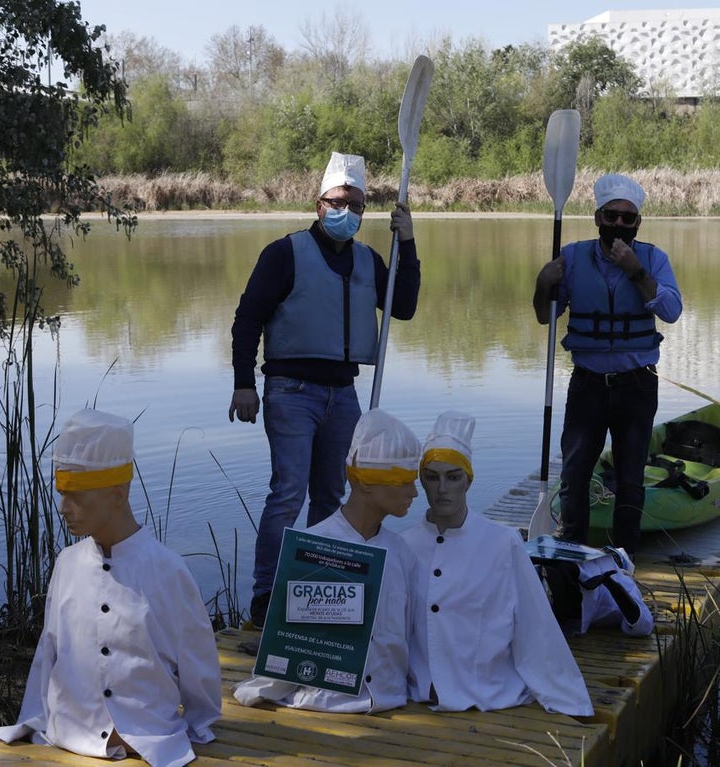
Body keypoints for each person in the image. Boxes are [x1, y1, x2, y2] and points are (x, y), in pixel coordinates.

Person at [230, 151, 421, 629]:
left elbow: (404, 306)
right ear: (320, 204)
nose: (349, 213)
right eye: (340, 202)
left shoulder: (368, 259)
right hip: (291, 389)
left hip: (343, 393)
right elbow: (247, 318)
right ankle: (265, 596)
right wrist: (242, 383)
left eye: (357, 206)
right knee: (288, 492)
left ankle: (316, 590)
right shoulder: (284, 253)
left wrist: (409, 244)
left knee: (333, 493)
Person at [0, 409, 223, 767]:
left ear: (118, 494)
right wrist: (34, 716)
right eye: (62, 493)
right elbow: (49, 654)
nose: (64, 508)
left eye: (76, 495)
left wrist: (199, 724)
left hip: (148, 737)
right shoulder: (67, 563)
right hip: (68, 733)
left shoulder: (168, 570)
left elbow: (197, 661)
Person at [402, 411, 593, 717]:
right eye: (432, 477)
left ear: (468, 480)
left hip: (488, 693)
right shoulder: (405, 547)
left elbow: (535, 625)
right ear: (421, 480)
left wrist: (568, 699)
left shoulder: (502, 543)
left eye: (453, 477)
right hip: (420, 696)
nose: (442, 488)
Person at [232, 408, 422, 713]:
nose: (415, 491)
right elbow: (290, 644)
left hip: (391, 697)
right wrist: (263, 688)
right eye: (404, 481)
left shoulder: (402, 554)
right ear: (367, 482)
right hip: (325, 703)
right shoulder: (313, 549)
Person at [533, 173, 683, 551]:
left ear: (638, 223)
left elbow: (671, 311)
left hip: (637, 385)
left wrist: (635, 270)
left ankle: (624, 556)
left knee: (631, 477)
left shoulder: (653, 259)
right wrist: (541, 284)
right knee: (575, 472)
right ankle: (571, 548)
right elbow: (545, 319)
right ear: (597, 217)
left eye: (627, 219)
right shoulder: (571, 257)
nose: (618, 224)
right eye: (611, 216)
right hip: (588, 385)